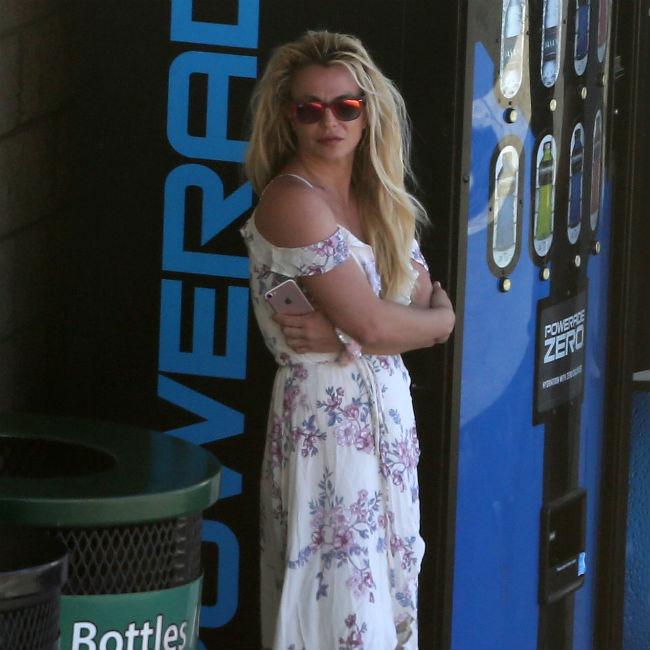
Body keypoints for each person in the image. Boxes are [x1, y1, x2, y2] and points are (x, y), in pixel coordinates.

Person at [240, 30, 455, 650]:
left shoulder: (379, 199)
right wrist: (431, 325)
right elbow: (386, 323)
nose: (329, 122)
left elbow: (408, 311)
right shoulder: (291, 201)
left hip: (387, 423)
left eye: (346, 106)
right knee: (338, 608)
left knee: (389, 597)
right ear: (288, 117)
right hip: (327, 428)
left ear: (368, 113)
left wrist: (351, 330)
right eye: (310, 108)